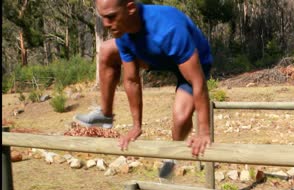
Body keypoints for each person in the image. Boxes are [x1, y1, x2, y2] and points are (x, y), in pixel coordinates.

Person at [74, 0, 212, 177]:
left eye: (111, 17)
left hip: (193, 62)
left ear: (130, 8)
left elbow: (197, 81)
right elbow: (131, 80)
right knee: (107, 51)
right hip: (155, 54)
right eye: (103, 18)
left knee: (180, 117)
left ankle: (172, 158)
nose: (106, 24)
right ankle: (105, 115)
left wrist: (203, 131)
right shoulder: (122, 31)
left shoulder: (169, 28)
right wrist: (136, 126)